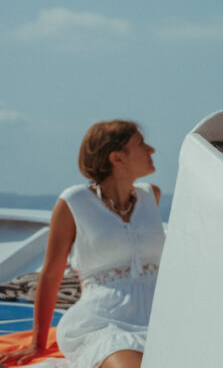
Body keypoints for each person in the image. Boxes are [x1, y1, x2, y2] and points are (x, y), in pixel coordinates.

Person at [0, 121, 165, 368]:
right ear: (117, 158)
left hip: (160, 316)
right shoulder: (74, 201)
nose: (151, 150)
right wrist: (38, 343)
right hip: (104, 320)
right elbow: (52, 273)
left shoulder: (151, 195)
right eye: (141, 144)